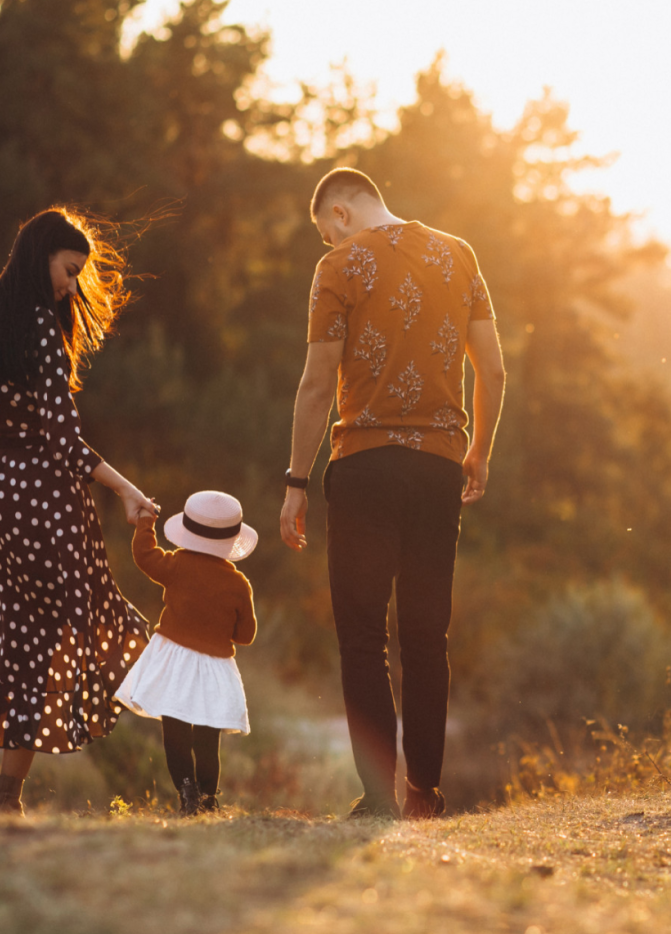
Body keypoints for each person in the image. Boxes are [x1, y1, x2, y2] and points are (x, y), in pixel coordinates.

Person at [279, 168, 507, 819]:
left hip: (364, 469)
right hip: (438, 469)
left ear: (341, 215)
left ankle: (379, 798)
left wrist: (296, 480)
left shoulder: (338, 267)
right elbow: (491, 367)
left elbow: (317, 382)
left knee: (361, 637)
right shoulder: (459, 254)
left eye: (326, 230)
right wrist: (480, 452)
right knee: (426, 636)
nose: (327, 240)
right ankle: (425, 796)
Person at [0, 208, 158, 815]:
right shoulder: (41, 327)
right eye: (69, 271)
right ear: (40, 254)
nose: (72, 286)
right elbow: (64, 444)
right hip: (46, 503)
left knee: (6, 639)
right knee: (48, 644)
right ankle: (8, 798)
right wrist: (123, 488)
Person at [115, 490, 258, 815]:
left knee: (175, 733)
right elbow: (246, 635)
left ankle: (186, 792)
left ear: (189, 530)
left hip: (173, 661)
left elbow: (144, 556)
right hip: (214, 668)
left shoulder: (177, 562)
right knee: (208, 738)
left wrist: (146, 523)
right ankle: (209, 798)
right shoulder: (239, 584)